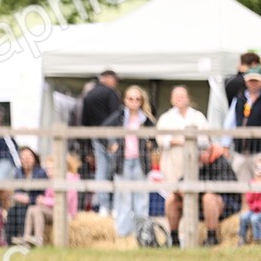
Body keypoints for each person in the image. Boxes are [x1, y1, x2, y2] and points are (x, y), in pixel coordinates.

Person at [103, 85, 155, 237]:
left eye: (137, 99)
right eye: (130, 98)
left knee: (141, 200)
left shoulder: (146, 120)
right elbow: (102, 131)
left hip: (140, 163)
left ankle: (142, 235)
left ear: (141, 101)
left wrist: (151, 144)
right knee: (123, 199)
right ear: (125, 100)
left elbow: (155, 137)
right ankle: (123, 235)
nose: (134, 102)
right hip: (122, 163)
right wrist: (111, 144)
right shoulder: (119, 117)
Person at [165, 144, 240, 247]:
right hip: (198, 204)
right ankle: (174, 240)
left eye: (202, 152)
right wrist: (180, 190)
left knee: (208, 198)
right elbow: (181, 181)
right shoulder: (195, 164)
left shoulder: (221, 162)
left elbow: (224, 186)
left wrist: (198, 191)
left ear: (209, 151)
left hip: (225, 206)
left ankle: (211, 238)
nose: (199, 155)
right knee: (172, 199)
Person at [223, 66, 261, 182]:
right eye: (251, 80)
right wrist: (225, 145)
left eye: (256, 80)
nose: (253, 83)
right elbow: (230, 122)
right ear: (246, 81)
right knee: (242, 186)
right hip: (240, 152)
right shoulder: (239, 98)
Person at [80, 69, 122, 214]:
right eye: (115, 80)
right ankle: (116, 206)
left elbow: (84, 121)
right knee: (116, 169)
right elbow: (116, 115)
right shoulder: (110, 93)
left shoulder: (88, 94)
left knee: (101, 170)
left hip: (95, 136)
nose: (115, 83)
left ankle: (104, 206)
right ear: (108, 78)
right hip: (111, 135)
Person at [18, 153, 80, 246]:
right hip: (53, 210)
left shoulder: (68, 180)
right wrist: (42, 200)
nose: (48, 171)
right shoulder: (51, 180)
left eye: (51, 168)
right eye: (47, 168)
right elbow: (49, 198)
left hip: (65, 213)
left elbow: (64, 202)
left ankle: (38, 239)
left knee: (37, 210)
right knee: (32, 208)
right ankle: (26, 238)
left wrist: (45, 201)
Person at [155, 85, 209, 185]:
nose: (179, 98)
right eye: (176, 96)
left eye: (182, 96)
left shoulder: (198, 116)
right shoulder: (165, 118)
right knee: (173, 192)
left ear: (188, 98)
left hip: (194, 160)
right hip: (171, 161)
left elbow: (205, 139)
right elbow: (161, 140)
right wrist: (180, 141)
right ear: (171, 99)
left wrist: (189, 142)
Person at [4, 146, 47, 244]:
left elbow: (42, 193)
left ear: (34, 158)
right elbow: (16, 191)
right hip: (20, 203)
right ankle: (10, 241)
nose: (26, 160)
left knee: (23, 210)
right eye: (23, 158)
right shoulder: (18, 172)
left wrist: (29, 199)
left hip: (35, 202)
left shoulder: (40, 173)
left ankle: (24, 238)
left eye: (29, 157)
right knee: (12, 211)